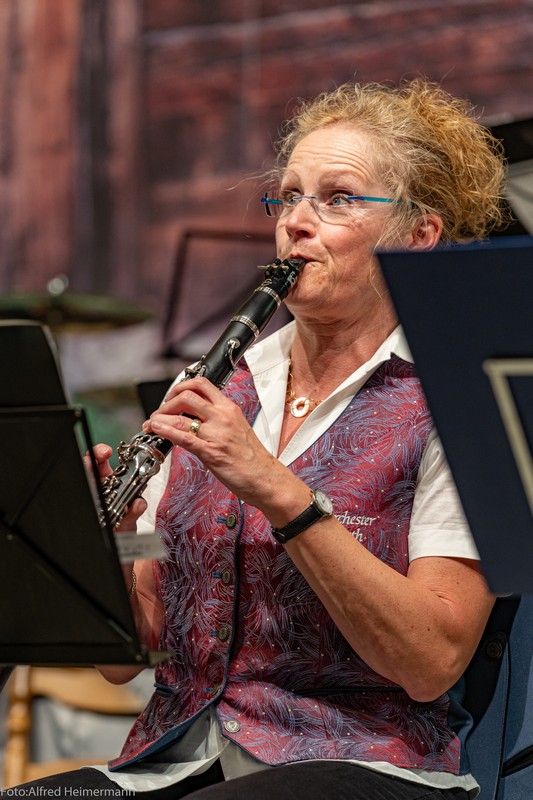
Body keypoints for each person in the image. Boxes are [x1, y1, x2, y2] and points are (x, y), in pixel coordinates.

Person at [4, 78, 508, 800]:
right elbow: (128, 659)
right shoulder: (216, 385)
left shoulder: (455, 401)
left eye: (338, 199)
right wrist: (106, 544)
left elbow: (430, 662)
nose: (296, 222)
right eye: (288, 196)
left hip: (360, 764)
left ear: (417, 235)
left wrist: (276, 489)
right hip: (173, 760)